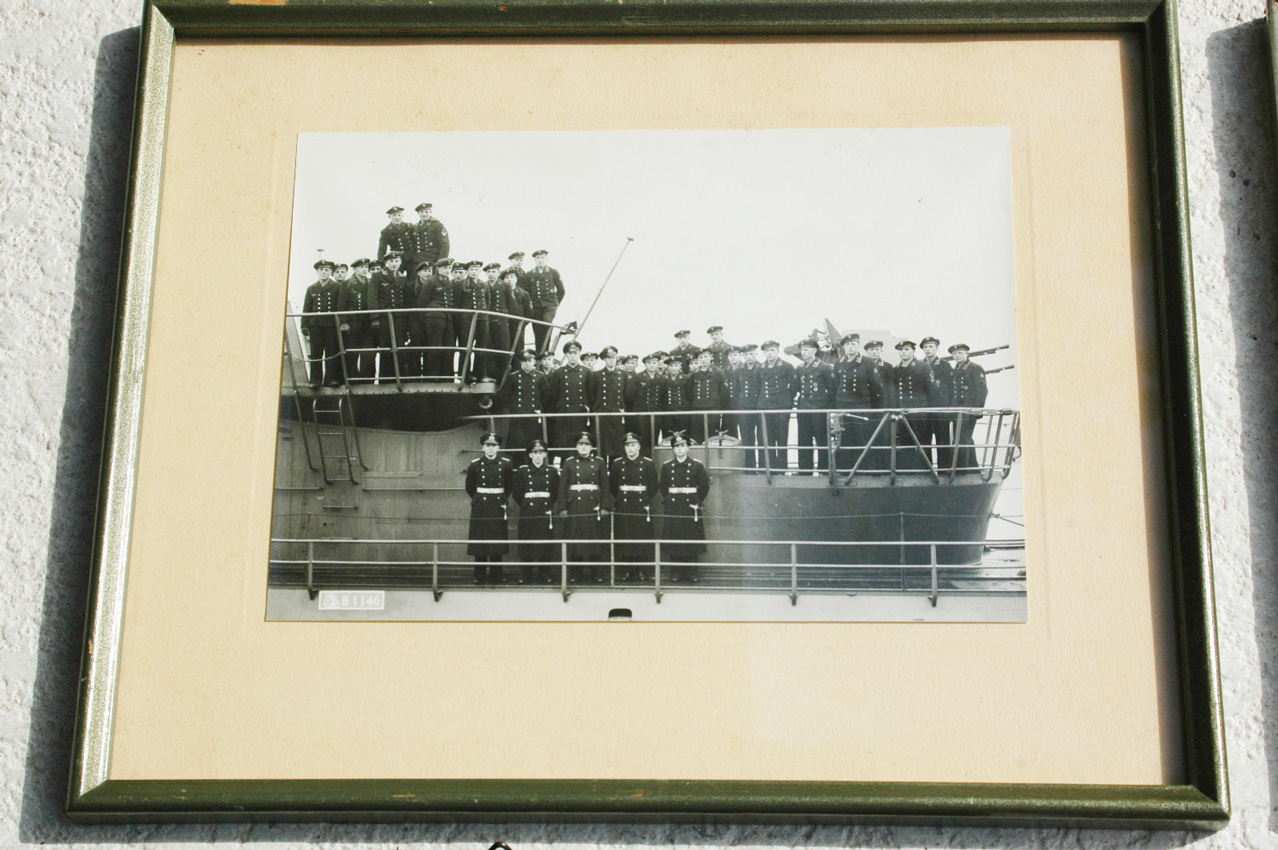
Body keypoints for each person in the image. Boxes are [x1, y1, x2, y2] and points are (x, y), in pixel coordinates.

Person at [557, 431, 611, 583]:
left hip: (593, 506)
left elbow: (605, 487)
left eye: (587, 444)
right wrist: (562, 508)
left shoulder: (599, 462)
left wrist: (605, 506)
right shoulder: (569, 463)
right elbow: (562, 487)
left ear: (592, 447)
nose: (583, 447)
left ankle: (596, 573)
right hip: (574, 505)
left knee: (595, 540)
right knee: (575, 540)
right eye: (580, 444)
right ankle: (575, 573)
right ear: (576, 446)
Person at [658, 432, 711, 582]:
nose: (680, 449)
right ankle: (675, 571)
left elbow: (704, 486)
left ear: (688, 448)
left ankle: (692, 571)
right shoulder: (667, 466)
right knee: (674, 538)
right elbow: (663, 487)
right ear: (673, 449)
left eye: (682, 446)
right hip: (673, 506)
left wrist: (697, 501)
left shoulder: (697, 465)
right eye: (676, 447)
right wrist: (669, 500)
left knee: (691, 538)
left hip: (691, 506)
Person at [464, 432, 514, 585]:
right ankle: (478, 574)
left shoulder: (506, 464)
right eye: (488, 445)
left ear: (498, 447)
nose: (491, 449)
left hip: (497, 505)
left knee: (496, 540)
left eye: (494, 446)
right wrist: (480, 498)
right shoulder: (475, 464)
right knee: (480, 540)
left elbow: (509, 486)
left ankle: (497, 574)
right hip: (481, 506)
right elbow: (469, 487)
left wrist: (500, 498)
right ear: (483, 447)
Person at [610, 432, 659, 582]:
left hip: (641, 505)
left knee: (642, 537)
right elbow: (613, 486)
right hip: (624, 505)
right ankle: (627, 571)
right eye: (627, 446)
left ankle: (643, 571)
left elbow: (653, 487)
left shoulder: (647, 463)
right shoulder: (617, 464)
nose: (630, 449)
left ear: (638, 447)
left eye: (633, 445)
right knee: (625, 537)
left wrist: (644, 499)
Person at [832, 333, 886, 471]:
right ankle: (847, 470)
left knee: (863, 439)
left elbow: (876, 386)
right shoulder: (839, 363)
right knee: (846, 439)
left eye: (854, 344)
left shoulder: (867, 362)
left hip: (861, 407)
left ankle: (868, 470)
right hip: (844, 406)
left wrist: (872, 408)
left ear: (858, 346)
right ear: (844, 347)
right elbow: (837, 385)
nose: (851, 347)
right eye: (848, 344)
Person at [511, 439, 559, 583]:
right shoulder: (523, 471)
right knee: (527, 543)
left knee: (545, 543)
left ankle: (546, 574)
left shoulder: (551, 471)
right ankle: (526, 575)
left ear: (544, 455)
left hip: (545, 512)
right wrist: (526, 505)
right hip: (528, 512)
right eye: (535, 453)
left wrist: (548, 506)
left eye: (541, 453)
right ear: (530, 455)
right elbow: (517, 494)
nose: (538, 456)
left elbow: (555, 492)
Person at [496, 349, 550, 463]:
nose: (527, 363)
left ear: (534, 361)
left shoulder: (540, 377)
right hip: (517, 417)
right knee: (517, 447)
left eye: (530, 360)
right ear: (521, 362)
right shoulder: (513, 377)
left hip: (533, 417)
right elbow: (506, 396)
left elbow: (546, 396)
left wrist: (540, 409)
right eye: (524, 361)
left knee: (533, 445)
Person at [893, 340, 940, 470]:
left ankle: (925, 470)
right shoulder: (896, 370)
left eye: (907, 349)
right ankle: (907, 470)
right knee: (904, 441)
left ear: (913, 351)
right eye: (901, 350)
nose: (903, 352)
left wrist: (928, 411)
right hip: (903, 412)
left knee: (921, 441)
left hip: (919, 411)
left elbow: (932, 390)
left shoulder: (923, 367)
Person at [301, 259, 345, 387]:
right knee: (316, 353)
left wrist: (341, 322)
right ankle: (315, 380)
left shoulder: (337, 287)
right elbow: (306, 307)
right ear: (317, 271)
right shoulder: (311, 288)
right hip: (316, 325)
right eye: (321, 270)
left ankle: (331, 379)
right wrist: (304, 325)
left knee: (331, 352)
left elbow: (340, 306)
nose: (324, 272)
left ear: (331, 272)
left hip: (331, 324)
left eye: (327, 270)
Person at [794, 338, 836, 474]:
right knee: (803, 441)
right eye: (802, 350)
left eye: (806, 349)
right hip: (804, 409)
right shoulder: (800, 368)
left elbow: (832, 390)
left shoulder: (825, 367)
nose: (803, 352)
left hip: (819, 409)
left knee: (822, 442)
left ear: (814, 350)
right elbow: (799, 388)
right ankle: (805, 471)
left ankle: (824, 471)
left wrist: (825, 407)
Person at [415, 258, 459, 378]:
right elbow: (422, 302)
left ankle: (447, 375)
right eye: (445, 268)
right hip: (434, 317)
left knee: (449, 347)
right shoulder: (431, 281)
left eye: (449, 268)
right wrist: (426, 319)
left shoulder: (449, 281)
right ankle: (432, 375)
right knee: (435, 347)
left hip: (447, 317)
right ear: (438, 268)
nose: (447, 270)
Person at [756, 340, 796, 471]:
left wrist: (787, 399)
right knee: (767, 439)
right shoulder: (760, 367)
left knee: (782, 439)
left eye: (772, 350)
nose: (769, 353)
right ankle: (769, 468)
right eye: (767, 351)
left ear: (778, 351)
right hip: (765, 407)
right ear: (764, 353)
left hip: (781, 407)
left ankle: (782, 469)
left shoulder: (787, 366)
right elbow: (758, 386)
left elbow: (794, 385)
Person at [547, 340, 592, 458]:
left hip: (580, 414)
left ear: (579, 354)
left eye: (575, 353)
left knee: (580, 442)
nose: (572, 356)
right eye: (570, 353)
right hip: (564, 415)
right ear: (566, 355)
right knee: (565, 446)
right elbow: (554, 396)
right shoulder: (558, 373)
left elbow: (590, 394)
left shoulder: (587, 372)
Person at [949, 343, 989, 469]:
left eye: (960, 353)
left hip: (969, 409)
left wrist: (978, 407)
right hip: (957, 409)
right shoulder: (955, 369)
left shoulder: (975, 368)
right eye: (954, 354)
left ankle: (962, 469)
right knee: (963, 437)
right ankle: (972, 466)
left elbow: (982, 390)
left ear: (967, 354)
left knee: (962, 438)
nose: (957, 356)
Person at [373, 252, 411, 382]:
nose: (394, 264)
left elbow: (406, 300)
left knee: (399, 346)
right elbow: (372, 298)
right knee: (385, 347)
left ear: (400, 262)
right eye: (392, 261)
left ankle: (399, 377)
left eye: (397, 261)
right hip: (384, 317)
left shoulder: (402, 278)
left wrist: (406, 319)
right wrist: (375, 318)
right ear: (386, 263)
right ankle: (385, 379)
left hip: (399, 317)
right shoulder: (378, 277)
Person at [339, 258, 378, 382]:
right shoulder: (347, 284)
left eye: (366, 267)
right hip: (353, 322)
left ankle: (368, 380)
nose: (364, 270)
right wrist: (344, 322)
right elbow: (341, 304)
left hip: (367, 323)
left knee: (368, 353)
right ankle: (352, 379)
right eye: (361, 267)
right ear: (355, 269)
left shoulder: (371, 282)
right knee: (352, 351)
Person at [920, 336, 955, 469]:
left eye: (931, 347)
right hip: (924, 409)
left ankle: (944, 469)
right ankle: (927, 469)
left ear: (936, 348)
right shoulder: (920, 364)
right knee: (924, 441)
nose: (928, 349)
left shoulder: (945, 365)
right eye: (926, 347)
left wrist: (950, 408)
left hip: (941, 409)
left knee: (942, 440)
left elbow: (951, 388)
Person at [589, 346, 629, 460]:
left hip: (616, 415)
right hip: (602, 415)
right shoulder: (597, 375)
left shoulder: (622, 374)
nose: (611, 360)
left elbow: (625, 394)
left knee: (616, 447)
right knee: (601, 446)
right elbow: (592, 395)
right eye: (608, 358)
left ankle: (614, 473)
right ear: (604, 360)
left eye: (613, 357)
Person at [524, 249, 565, 354]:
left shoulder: (553, 272)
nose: (540, 260)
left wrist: (554, 303)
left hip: (549, 305)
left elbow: (561, 290)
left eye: (542, 258)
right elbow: (527, 292)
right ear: (534, 260)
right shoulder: (529, 274)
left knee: (546, 323)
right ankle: (539, 354)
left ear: (546, 259)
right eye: (538, 258)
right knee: (537, 329)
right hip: (536, 305)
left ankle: (545, 352)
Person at [457, 260, 491, 382]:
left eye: (476, 269)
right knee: (466, 347)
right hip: (467, 320)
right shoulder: (461, 285)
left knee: (481, 347)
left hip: (482, 319)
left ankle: (481, 374)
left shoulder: (484, 285)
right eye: (471, 269)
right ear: (467, 271)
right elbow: (457, 303)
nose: (474, 272)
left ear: (480, 271)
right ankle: (465, 375)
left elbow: (487, 302)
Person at [685, 348, 728, 444]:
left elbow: (724, 392)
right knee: (696, 435)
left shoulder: (718, 372)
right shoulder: (693, 374)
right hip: (697, 408)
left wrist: (717, 405)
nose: (703, 359)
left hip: (713, 408)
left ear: (710, 357)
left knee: (712, 436)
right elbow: (689, 391)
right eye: (701, 357)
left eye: (705, 356)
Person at [630, 352, 666, 455]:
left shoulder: (661, 379)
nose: (652, 365)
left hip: (656, 413)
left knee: (654, 438)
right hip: (642, 413)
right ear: (645, 364)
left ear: (658, 364)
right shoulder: (638, 377)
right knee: (643, 439)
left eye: (654, 362)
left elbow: (662, 397)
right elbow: (631, 396)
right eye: (649, 363)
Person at [483, 263, 514, 379]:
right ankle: (491, 375)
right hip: (488, 320)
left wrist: (505, 317)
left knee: (503, 348)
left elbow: (510, 304)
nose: (491, 274)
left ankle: (504, 377)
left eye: (494, 272)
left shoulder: (505, 285)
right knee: (489, 348)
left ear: (498, 273)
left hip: (501, 319)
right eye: (489, 272)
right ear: (486, 273)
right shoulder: (484, 285)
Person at [409, 202, 449, 270]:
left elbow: (444, 245)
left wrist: (440, 263)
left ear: (430, 212)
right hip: (418, 261)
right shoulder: (415, 227)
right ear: (418, 213)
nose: (424, 214)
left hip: (432, 261)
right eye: (421, 212)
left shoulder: (437, 225)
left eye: (426, 212)